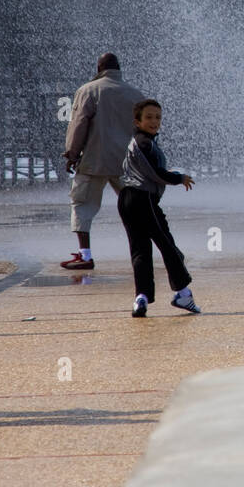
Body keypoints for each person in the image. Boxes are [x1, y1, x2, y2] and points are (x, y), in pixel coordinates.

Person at [60, 53, 144, 270]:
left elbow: (79, 124)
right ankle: (150, 251)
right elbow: (144, 131)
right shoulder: (135, 94)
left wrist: (71, 153)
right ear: (119, 68)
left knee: (82, 205)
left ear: (98, 68)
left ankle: (85, 255)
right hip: (127, 162)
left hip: (94, 160)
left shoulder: (88, 90)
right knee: (139, 209)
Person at [117, 99, 201, 317]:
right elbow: (155, 173)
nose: (155, 121)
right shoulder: (144, 142)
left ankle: (141, 298)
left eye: (158, 117)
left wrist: (165, 174)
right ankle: (183, 293)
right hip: (142, 199)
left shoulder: (140, 142)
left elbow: (147, 170)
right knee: (167, 245)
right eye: (149, 117)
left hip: (127, 199)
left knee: (140, 250)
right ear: (137, 121)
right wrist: (178, 177)